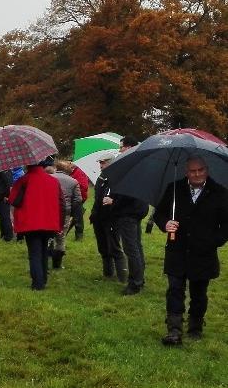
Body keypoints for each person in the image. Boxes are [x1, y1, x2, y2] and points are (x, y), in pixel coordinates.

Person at [153, 156, 228, 345]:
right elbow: (159, 213)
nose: (197, 174)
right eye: (192, 171)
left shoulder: (219, 192)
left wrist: (214, 241)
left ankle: (195, 327)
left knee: (198, 293)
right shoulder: (175, 189)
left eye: (200, 170)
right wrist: (165, 224)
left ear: (206, 170)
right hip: (176, 250)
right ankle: (174, 330)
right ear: (186, 172)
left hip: (203, 253)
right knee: (175, 290)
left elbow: (226, 225)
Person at [104, 136, 148, 295]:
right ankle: (140, 279)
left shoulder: (131, 165)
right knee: (136, 246)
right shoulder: (139, 164)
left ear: (129, 147)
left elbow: (126, 192)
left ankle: (135, 283)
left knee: (131, 249)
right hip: (137, 209)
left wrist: (113, 201)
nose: (120, 150)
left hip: (129, 212)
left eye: (121, 147)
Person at [9, 160, 62, 290]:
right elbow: (60, 201)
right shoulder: (53, 181)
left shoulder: (23, 180)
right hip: (49, 222)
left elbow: (13, 200)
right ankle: (43, 279)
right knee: (44, 251)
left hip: (31, 223)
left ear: (28, 165)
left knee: (34, 253)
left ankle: (37, 284)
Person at [89, 152, 127, 281]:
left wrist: (113, 201)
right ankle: (108, 273)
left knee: (115, 247)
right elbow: (97, 198)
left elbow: (124, 199)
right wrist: (94, 213)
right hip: (99, 217)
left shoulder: (119, 178)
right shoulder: (101, 178)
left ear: (111, 162)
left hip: (112, 218)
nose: (101, 165)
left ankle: (122, 277)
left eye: (103, 162)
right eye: (100, 163)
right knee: (103, 247)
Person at [48, 160, 82, 269]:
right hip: (65, 211)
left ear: (56, 168)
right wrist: (71, 209)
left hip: (49, 210)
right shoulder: (73, 181)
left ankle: (45, 257)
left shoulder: (49, 178)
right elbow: (78, 199)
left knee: (48, 235)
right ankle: (57, 264)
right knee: (61, 237)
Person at [59, 160, 89, 240]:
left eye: (70, 163)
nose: (69, 165)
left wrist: (73, 187)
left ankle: (79, 236)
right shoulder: (67, 173)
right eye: (68, 163)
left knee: (78, 218)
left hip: (78, 198)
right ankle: (62, 234)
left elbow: (84, 186)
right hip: (68, 198)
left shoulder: (79, 172)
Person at [0, 169, 15, 242]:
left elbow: (10, 185)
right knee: (2, 217)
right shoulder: (2, 171)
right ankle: (3, 234)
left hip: (3, 198)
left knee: (5, 217)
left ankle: (8, 236)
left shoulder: (6, 171)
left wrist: (8, 197)